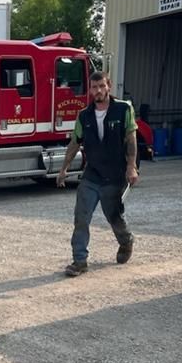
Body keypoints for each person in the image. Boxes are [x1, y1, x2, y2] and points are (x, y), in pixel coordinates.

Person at [57, 71, 139, 277]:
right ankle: (79, 261)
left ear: (108, 86)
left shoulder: (123, 109)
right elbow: (75, 142)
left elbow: (131, 138)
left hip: (115, 174)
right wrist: (64, 168)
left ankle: (126, 241)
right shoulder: (84, 115)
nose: (98, 91)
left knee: (114, 217)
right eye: (94, 87)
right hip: (92, 175)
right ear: (90, 90)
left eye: (101, 86)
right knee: (81, 217)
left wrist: (131, 166)